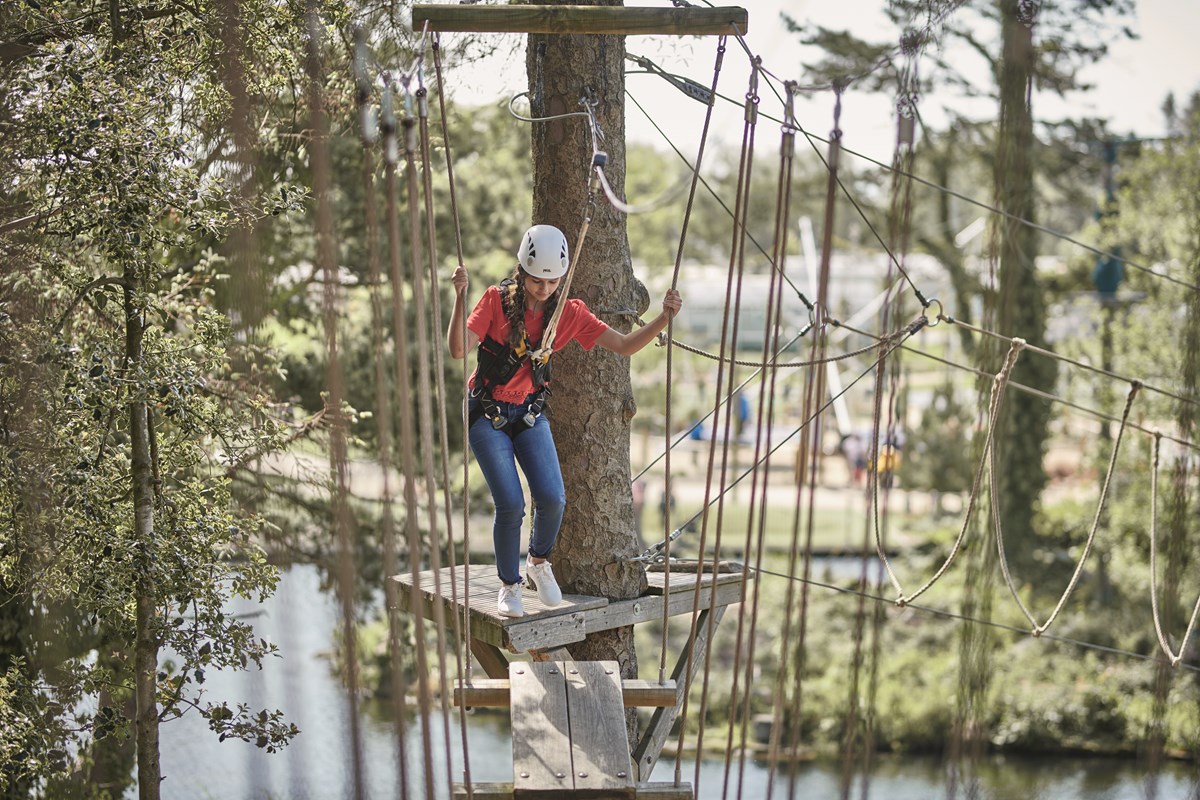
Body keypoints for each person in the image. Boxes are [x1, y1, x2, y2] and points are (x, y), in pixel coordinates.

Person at [447, 224, 683, 618]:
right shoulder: (493, 302)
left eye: (553, 279)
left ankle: (537, 563)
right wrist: (459, 298)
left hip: (529, 413)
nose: (545, 287)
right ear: (522, 272)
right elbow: (457, 350)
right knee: (510, 504)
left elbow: (624, 346)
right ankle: (509, 587)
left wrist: (664, 318)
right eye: (538, 279)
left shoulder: (569, 313)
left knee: (554, 498)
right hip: (487, 414)